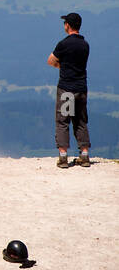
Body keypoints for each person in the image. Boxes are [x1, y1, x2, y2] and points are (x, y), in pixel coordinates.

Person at [48, 12, 90, 168]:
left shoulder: (63, 44)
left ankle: (63, 157)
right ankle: (84, 155)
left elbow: (50, 60)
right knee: (80, 121)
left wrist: (62, 66)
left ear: (68, 25)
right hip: (81, 88)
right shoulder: (85, 45)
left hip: (66, 88)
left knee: (63, 121)